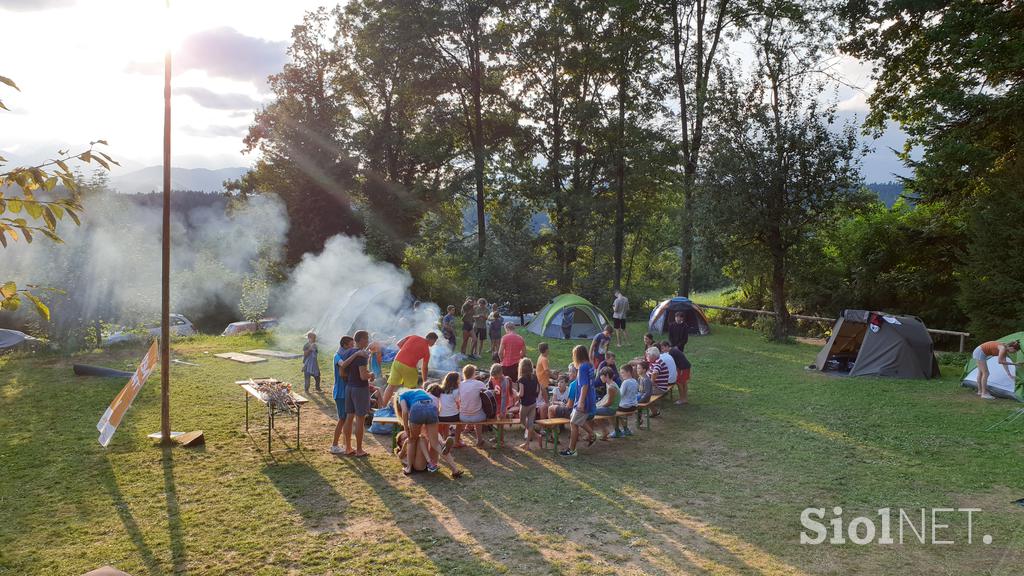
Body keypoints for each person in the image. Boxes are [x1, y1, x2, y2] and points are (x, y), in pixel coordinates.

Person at [394, 387, 461, 477]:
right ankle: (455, 470)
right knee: (435, 443)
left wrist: (406, 427)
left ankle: (408, 468)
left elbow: (405, 411)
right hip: (431, 407)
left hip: (417, 409)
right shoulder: (420, 391)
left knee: (411, 440)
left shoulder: (401, 395)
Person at [383, 332, 439, 407]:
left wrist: (406, 351)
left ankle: (383, 406)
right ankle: (407, 410)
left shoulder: (413, 336)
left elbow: (399, 343)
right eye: (434, 342)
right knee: (410, 389)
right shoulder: (426, 351)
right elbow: (424, 368)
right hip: (409, 366)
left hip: (397, 361)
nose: (434, 344)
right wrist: (424, 381)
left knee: (391, 385)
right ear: (431, 340)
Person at [341, 330, 374, 457]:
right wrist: (371, 375)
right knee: (360, 418)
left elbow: (344, 368)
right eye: (367, 339)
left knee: (349, 417)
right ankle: (359, 450)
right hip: (359, 389)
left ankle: (348, 447)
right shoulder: (361, 355)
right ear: (361, 340)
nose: (368, 341)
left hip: (349, 387)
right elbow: (363, 375)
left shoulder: (349, 351)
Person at [560, 345, 597, 457]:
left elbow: (584, 385)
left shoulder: (582, 367)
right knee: (576, 420)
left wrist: (580, 401)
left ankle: (572, 450)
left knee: (573, 423)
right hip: (590, 397)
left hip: (584, 399)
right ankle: (592, 434)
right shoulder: (589, 365)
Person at [330, 336, 358, 454]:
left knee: (347, 419)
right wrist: (356, 355)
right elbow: (343, 365)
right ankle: (334, 445)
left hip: (345, 391)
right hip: (340, 393)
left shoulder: (344, 354)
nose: (352, 348)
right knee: (342, 419)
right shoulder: (337, 356)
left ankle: (345, 444)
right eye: (351, 345)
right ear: (345, 345)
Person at [456, 364, 488, 447]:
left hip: (463, 416)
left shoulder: (460, 385)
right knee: (479, 411)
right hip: (477, 417)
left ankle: (457, 439)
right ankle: (479, 440)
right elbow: (487, 394)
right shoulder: (479, 383)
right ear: (474, 373)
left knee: (473, 408)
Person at [517, 358, 541, 450]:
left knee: (522, 420)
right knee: (530, 423)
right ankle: (528, 443)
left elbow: (521, 394)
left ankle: (536, 436)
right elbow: (537, 390)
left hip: (525, 404)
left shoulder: (521, 379)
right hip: (533, 403)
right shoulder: (534, 377)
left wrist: (516, 394)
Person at [660, 340, 691, 405]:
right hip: (686, 367)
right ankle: (684, 398)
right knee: (683, 383)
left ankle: (682, 399)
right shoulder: (673, 350)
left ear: (667, 346)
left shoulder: (671, 353)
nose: (662, 350)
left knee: (679, 383)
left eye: (663, 348)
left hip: (683, 368)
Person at [593, 367, 620, 440]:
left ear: (607, 376)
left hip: (611, 409)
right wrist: (598, 404)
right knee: (594, 409)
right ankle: (605, 431)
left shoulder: (611, 387)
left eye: (601, 375)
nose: (600, 377)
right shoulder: (609, 384)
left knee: (592, 412)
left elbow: (609, 403)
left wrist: (599, 406)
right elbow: (606, 397)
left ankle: (602, 432)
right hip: (610, 407)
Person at [611, 364, 638, 438]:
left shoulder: (625, 382)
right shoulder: (635, 381)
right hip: (634, 405)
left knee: (611, 410)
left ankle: (617, 431)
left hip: (626, 406)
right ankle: (626, 430)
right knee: (618, 410)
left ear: (628, 372)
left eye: (623, 372)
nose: (621, 374)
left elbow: (620, 395)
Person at [535, 343, 551, 420]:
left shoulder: (540, 357)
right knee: (546, 403)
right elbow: (547, 371)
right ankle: (546, 421)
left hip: (541, 382)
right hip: (543, 384)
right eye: (548, 348)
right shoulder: (544, 359)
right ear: (546, 350)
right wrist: (555, 377)